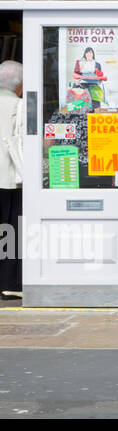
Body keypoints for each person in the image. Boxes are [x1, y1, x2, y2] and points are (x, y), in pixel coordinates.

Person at [0, 60, 23, 299]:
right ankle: (9, 285)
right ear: (19, 85)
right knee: (9, 234)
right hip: (8, 180)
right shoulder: (18, 105)